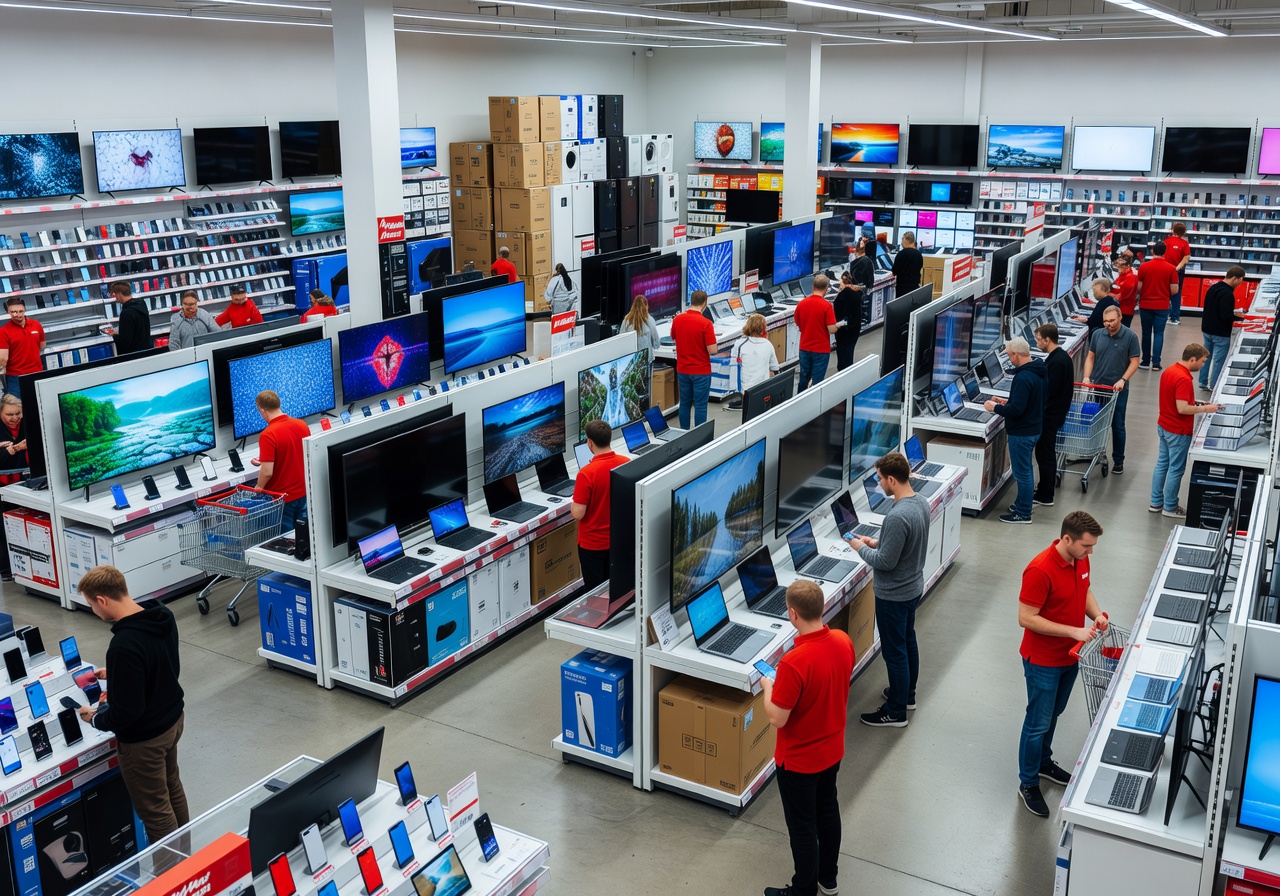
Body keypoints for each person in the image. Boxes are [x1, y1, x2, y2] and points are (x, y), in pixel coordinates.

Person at [76, 564, 189, 840]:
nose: (94, 611)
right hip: (173, 721)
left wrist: (97, 717)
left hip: (145, 741)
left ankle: (174, 878)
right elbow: (164, 665)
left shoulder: (124, 644)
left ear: (102, 600)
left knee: (156, 811)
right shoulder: (161, 615)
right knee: (172, 785)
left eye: (92, 605)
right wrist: (118, 673)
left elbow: (128, 712)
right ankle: (190, 866)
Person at [760, 579, 855, 896]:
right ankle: (829, 878)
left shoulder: (793, 662)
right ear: (822, 607)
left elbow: (777, 717)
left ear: (792, 614)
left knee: (802, 827)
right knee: (828, 811)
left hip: (799, 761)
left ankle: (803, 890)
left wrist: (767, 688)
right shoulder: (843, 641)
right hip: (832, 750)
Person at [1016, 511, 1109, 818]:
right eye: (1086, 545)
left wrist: (1095, 614)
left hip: (1071, 656)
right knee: (1037, 722)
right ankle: (1028, 783)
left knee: (1053, 714)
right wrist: (1074, 631)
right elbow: (1026, 618)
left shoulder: (1080, 560)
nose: (1090, 552)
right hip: (1043, 661)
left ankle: (1043, 763)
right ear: (1067, 539)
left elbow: (1085, 591)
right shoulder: (1040, 570)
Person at [846, 452, 930, 727]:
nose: (879, 483)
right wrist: (876, 541)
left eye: (881, 479)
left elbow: (885, 563)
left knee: (894, 653)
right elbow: (901, 545)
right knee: (907, 641)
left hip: (893, 594)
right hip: (912, 586)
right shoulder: (920, 503)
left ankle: (895, 712)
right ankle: (907, 695)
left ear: (892, 480)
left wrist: (860, 548)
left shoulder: (897, 516)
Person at [1151, 344, 1219, 519]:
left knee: (1162, 464)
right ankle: (1170, 506)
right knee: (1176, 469)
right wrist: (1206, 409)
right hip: (1178, 430)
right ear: (1193, 359)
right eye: (1203, 362)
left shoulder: (1170, 371)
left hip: (1164, 425)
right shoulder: (1183, 379)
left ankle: (1156, 502)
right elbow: (1181, 408)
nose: (1203, 365)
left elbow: (1174, 398)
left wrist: (1194, 401)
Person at [984, 337, 1045, 524]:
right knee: (1026, 469)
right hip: (1034, 426)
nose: (1009, 360)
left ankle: (1023, 513)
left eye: (1010, 356)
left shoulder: (1023, 377)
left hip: (1022, 432)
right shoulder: (1038, 369)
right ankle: (1021, 504)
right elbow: (1025, 402)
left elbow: (1017, 410)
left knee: (1022, 473)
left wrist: (995, 408)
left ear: (1016, 354)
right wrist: (1006, 402)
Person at [570, 419, 629, 590]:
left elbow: (578, 513)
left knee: (595, 593)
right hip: (617, 540)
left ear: (589, 443)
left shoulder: (586, 474)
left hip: (593, 545)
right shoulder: (625, 463)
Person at [1082, 306, 1140, 475]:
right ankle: (1097, 453)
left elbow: (1134, 362)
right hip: (1099, 387)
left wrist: (1123, 379)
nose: (1108, 324)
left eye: (1112, 321)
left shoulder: (1130, 336)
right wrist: (1087, 377)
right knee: (1097, 423)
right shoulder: (1098, 334)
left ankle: (1118, 460)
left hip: (1118, 390)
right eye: (1106, 321)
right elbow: (1090, 357)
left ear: (1120, 317)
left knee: (1117, 424)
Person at [250, 390, 311, 532]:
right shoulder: (301, 424)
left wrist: (258, 487)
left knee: (284, 543)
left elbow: (267, 472)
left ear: (262, 410)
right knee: (302, 538)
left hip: (282, 500)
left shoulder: (268, 434)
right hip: (303, 494)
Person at [1033, 324, 1073, 509]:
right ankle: (1043, 488)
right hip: (1055, 413)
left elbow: (1050, 390)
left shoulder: (1057, 362)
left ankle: (1045, 494)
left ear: (1047, 340)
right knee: (1045, 453)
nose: (1037, 342)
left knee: (1045, 454)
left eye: (1038, 339)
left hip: (1050, 416)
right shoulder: (1060, 357)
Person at [670, 289, 718, 429]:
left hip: (683, 370)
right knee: (700, 405)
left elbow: (673, 336)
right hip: (701, 371)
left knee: (684, 403)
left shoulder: (678, 319)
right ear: (704, 303)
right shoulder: (706, 323)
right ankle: (699, 438)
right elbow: (713, 350)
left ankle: (684, 433)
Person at [1200, 266, 1246, 391]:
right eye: (1240, 281)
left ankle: (1203, 381)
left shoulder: (1213, 288)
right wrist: (1241, 319)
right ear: (1235, 278)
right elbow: (1226, 316)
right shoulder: (1228, 294)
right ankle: (1214, 386)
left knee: (1206, 357)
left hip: (1207, 329)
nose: (1240, 284)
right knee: (1218, 361)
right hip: (1220, 332)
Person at [1135, 240, 1179, 370]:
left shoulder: (1144, 267)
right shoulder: (1171, 269)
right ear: (1165, 252)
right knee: (1159, 333)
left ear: (1153, 251)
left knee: (1146, 333)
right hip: (1162, 305)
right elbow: (1174, 290)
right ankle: (1156, 363)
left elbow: (1139, 287)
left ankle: (1144, 361)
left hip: (1146, 305)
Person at [794, 273, 842, 391]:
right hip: (821, 350)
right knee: (817, 381)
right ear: (826, 288)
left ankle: (799, 401)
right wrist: (837, 326)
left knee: (803, 378)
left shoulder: (802, 304)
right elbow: (831, 329)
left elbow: (798, 323)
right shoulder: (827, 306)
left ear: (813, 286)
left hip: (804, 348)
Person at [0, 394, 27, 583]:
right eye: (9, 414)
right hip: (2, 483)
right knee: (2, 528)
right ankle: (5, 568)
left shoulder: (27, 424)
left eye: (18, 413)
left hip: (23, 480)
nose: (14, 418)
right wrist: (14, 449)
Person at [730, 313, 779, 408]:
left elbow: (733, 368)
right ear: (763, 329)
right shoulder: (768, 344)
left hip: (745, 391)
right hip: (763, 390)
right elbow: (775, 367)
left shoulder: (739, 344)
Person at [0, 296, 45, 396]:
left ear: (25, 310)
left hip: (37, 372)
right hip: (15, 378)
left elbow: (42, 345)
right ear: (9, 312)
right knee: (18, 408)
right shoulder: (3, 332)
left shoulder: (36, 325)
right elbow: (2, 360)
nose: (18, 314)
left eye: (20, 311)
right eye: (14, 312)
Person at [833, 269, 865, 372]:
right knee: (849, 353)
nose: (839, 286)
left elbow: (838, 315)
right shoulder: (857, 295)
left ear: (844, 282)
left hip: (843, 332)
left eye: (840, 283)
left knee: (842, 355)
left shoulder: (841, 297)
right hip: (854, 331)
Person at [110, 281, 152, 355]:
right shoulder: (142, 304)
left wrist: (114, 336)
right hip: (146, 350)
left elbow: (125, 341)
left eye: (115, 294)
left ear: (119, 294)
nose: (115, 297)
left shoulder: (126, 313)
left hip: (133, 355)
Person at [1164, 222, 1192, 325]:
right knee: (1176, 293)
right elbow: (1186, 258)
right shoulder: (1184, 243)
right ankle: (1175, 318)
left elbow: (1161, 255)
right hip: (1178, 271)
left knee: (1165, 293)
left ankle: (1165, 315)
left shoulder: (1166, 241)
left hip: (1166, 270)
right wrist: (1177, 268)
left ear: (1172, 230)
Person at [620, 294, 660, 358]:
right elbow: (655, 339)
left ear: (633, 306)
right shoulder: (649, 319)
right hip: (646, 356)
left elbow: (621, 338)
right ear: (646, 306)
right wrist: (656, 345)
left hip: (632, 357)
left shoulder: (626, 320)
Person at [892, 232, 924, 297]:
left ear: (906, 240)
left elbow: (894, 272)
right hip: (915, 287)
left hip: (902, 289)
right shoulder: (919, 254)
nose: (901, 243)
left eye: (902, 240)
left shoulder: (901, 254)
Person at [1112, 256, 1138, 328]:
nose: (1118, 269)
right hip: (1120, 309)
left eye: (1119, 267)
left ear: (1126, 266)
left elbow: (1122, 296)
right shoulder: (1123, 276)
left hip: (1124, 310)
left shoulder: (1130, 278)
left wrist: (1108, 294)